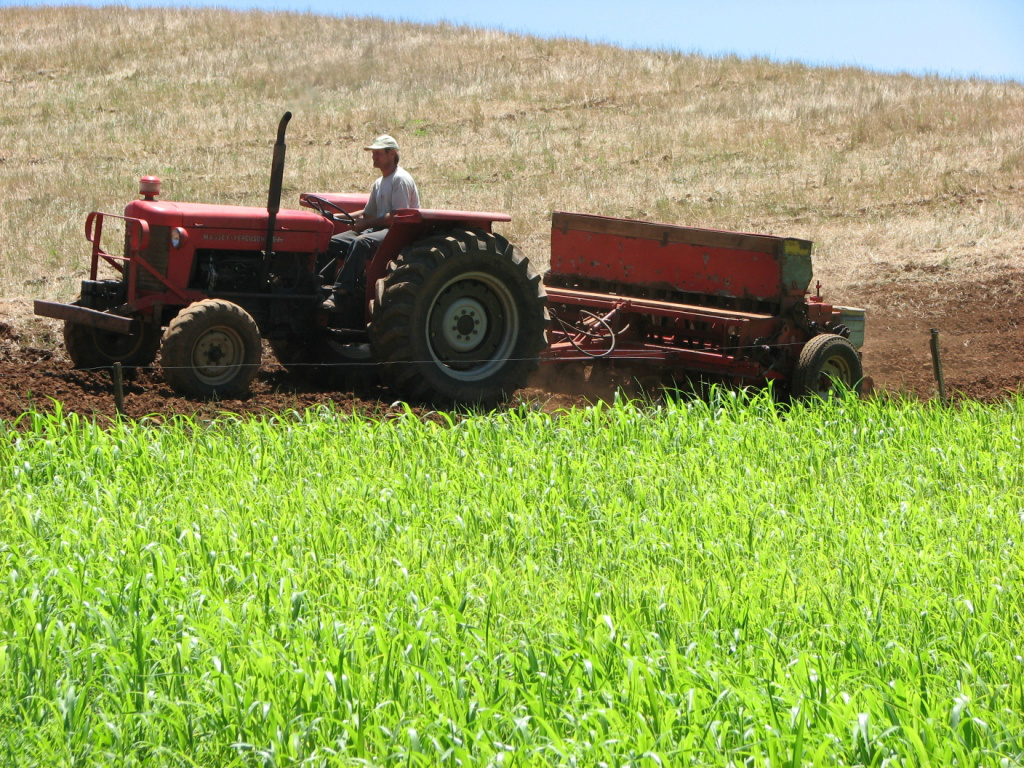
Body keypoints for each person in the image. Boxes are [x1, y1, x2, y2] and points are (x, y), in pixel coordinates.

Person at [322, 134, 420, 312]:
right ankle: (318, 284)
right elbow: (367, 214)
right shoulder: (379, 183)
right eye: (373, 153)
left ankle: (341, 292)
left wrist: (365, 226)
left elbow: (397, 217)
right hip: (379, 230)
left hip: (397, 234)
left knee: (361, 242)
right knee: (332, 242)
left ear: (392, 154)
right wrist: (335, 216)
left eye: (378, 153)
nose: (374, 157)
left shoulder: (400, 179)